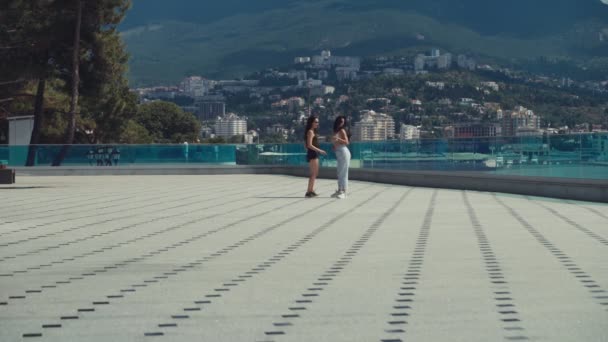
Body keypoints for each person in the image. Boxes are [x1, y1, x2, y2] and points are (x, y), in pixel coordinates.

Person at [304, 115, 326, 198]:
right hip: (313, 154)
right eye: (316, 122)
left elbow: (306, 145)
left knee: (315, 173)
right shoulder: (310, 132)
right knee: (313, 173)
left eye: (318, 122)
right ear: (311, 123)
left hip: (313, 153)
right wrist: (320, 150)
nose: (317, 123)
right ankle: (308, 191)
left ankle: (311, 190)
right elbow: (309, 145)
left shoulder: (312, 132)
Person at [331, 115, 351, 199]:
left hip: (343, 152)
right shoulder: (336, 131)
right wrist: (334, 146)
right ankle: (339, 190)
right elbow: (336, 142)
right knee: (339, 172)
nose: (341, 123)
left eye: (343, 122)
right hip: (339, 152)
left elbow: (347, 142)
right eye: (340, 121)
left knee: (343, 172)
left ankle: (344, 191)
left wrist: (337, 139)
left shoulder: (342, 130)